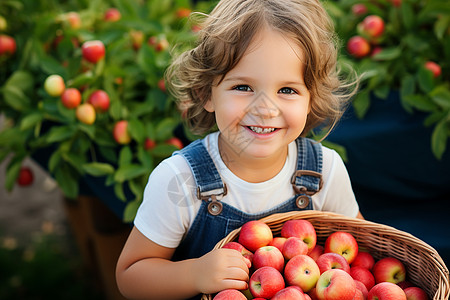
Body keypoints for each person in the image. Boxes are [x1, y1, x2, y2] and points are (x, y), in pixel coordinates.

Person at [116, 0, 363, 299]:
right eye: (243, 87)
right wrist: (194, 274)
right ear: (206, 93)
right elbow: (130, 276)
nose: (265, 109)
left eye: (287, 90)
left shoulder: (324, 171)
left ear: (310, 100)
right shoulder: (180, 180)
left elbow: (360, 251)